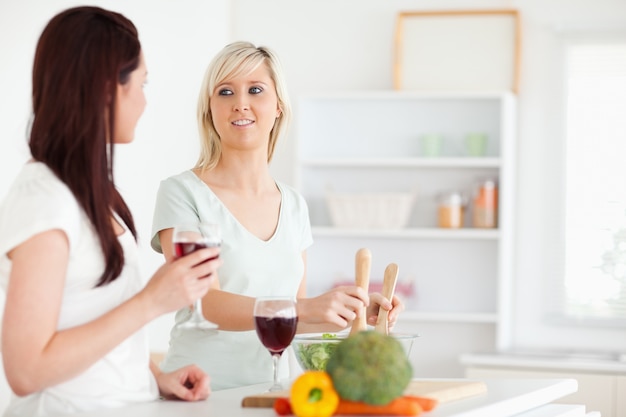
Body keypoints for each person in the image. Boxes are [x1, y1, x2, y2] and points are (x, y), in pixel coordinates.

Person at [0, 6, 219, 416]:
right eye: (142, 83)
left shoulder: (86, 191)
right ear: (106, 88)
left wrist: (155, 375)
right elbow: (25, 370)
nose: (144, 101)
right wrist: (153, 302)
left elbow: (90, 316)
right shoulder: (45, 200)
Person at [151, 41, 405, 391]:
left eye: (255, 90)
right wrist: (307, 308)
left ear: (279, 107)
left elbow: (293, 320)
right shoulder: (182, 193)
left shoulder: (295, 205)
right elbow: (203, 303)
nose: (240, 103)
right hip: (199, 392)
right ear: (210, 109)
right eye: (225, 92)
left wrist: (351, 315)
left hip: (275, 392)